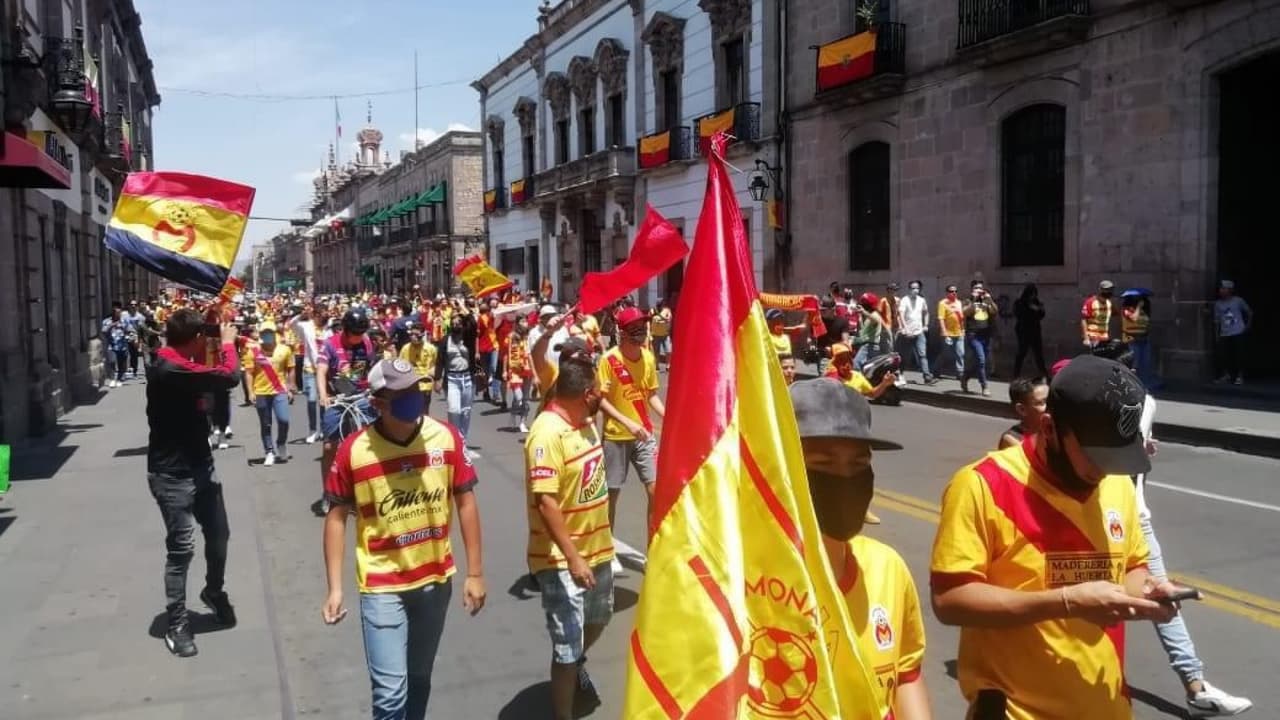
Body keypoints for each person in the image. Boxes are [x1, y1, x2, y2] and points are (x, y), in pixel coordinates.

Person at [930, 355, 1185, 719]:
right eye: (1096, 456)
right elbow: (950, 599)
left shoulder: (1117, 484)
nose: (1104, 470)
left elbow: (1132, 567)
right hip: (1017, 710)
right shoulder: (982, 484)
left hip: (1105, 703)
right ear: (1049, 428)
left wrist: (1148, 591)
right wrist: (1065, 602)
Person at [321, 359, 486, 720]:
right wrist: (335, 588)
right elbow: (336, 518)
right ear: (378, 403)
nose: (415, 398)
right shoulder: (354, 451)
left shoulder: (446, 437)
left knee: (419, 678)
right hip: (382, 586)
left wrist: (475, 573)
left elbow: (466, 502)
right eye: (403, 394)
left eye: (416, 389)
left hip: (435, 582)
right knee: (390, 695)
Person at [790, 379, 932, 720]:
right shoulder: (743, 581)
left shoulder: (887, 567)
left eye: (858, 465)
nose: (844, 480)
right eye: (823, 465)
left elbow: (905, 674)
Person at [524, 344, 614, 720]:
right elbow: (546, 502)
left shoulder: (586, 421)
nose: (603, 397)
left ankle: (577, 663)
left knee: (600, 617)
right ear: (587, 395)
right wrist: (574, 558)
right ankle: (563, 711)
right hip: (561, 559)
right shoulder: (546, 434)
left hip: (599, 548)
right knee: (566, 646)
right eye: (599, 392)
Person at [146, 310, 242, 657]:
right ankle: (177, 623)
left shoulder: (185, 362)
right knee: (182, 548)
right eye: (205, 336)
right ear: (196, 338)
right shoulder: (169, 367)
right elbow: (230, 377)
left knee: (219, 535)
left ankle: (213, 591)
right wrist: (228, 345)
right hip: (172, 475)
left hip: (202, 466)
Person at [596, 306, 665, 578]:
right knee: (611, 495)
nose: (641, 333)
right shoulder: (608, 360)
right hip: (616, 436)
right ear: (623, 333)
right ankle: (606, 550)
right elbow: (601, 401)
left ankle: (654, 551)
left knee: (655, 490)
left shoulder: (647, 357)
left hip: (644, 436)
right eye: (635, 329)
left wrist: (668, 416)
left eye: (643, 327)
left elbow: (651, 395)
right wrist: (628, 423)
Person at [313, 308, 377, 517]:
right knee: (330, 447)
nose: (359, 338)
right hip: (337, 398)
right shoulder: (330, 344)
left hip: (360, 396)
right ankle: (328, 492)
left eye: (361, 333)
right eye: (355, 334)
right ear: (346, 330)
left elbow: (371, 369)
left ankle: (364, 491)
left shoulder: (366, 343)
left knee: (371, 442)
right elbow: (321, 371)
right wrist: (323, 394)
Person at [243, 322, 296, 466]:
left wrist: (291, 387)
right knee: (266, 424)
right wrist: (250, 392)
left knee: (284, 420)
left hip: (279, 390)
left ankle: (281, 444)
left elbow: (291, 368)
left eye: (269, 332)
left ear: (274, 333)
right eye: (264, 333)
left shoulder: (285, 349)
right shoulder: (252, 351)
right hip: (261, 392)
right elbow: (249, 373)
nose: (267, 335)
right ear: (260, 334)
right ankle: (269, 452)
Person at [435, 308, 479, 459]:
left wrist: (464, 310)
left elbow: (473, 324)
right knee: (454, 410)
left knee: (466, 412)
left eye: (459, 322)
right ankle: (455, 440)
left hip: (467, 378)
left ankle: (462, 443)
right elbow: (440, 361)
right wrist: (437, 379)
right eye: (453, 322)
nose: (456, 324)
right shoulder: (445, 340)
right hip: (452, 379)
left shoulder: (468, 338)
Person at [289, 304, 324, 444]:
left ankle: (324, 429)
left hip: (324, 370)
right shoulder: (306, 326)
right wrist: (302, 315)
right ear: (314, 315)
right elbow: (292, 324)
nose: (323, 318)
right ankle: (312, 430)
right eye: (320, 315)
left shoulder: (328, 328)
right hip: (310, 369)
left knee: (324, 401)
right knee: (311, 400)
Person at [825, 343, 896, 401]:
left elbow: (872, 394)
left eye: (848, 359)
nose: (846, 365)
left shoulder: (857, 376)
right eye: (841, 361)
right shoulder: (830, 378)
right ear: (834, 363)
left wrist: (884, 383)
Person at [962, 282, 998, 396]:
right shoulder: (967, 300)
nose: (979, 290)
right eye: (976, 288)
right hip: (973, 335)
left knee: (981, 362)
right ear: (972, 290)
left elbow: (994, 311)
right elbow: (965, 312)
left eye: (980, 288)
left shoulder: (986, 301)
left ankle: (965, 376)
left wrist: (990, 300)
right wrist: (973, 300)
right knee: (981, 360)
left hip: (986, 335)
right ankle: (984, 386)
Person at [1213, 280, 1252, 385]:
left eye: (1223, 288)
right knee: (1223, 355)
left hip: (1238, 331)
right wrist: (1216, 335)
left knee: (1239, 354)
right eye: (1220, 289)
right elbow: (1216, 321)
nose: (1221, 291)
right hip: (1224, 333)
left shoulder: (1238, 301)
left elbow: (1249, 312)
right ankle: (1226, 375)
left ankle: (1240, 376)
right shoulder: (1218, 304)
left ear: (1230, 290)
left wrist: (1247, 326)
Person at [896, 280, 934, 385]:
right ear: (909, 289)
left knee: (922, 354)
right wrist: (905, 328)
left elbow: (926, 312)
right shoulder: (905, 300)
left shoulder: (922, 300)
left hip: (919, 332)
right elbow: (901, 315)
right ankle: (900, 374)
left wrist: (926, 325)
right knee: (904, 356)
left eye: (917, 288)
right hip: (907, 333)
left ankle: (927, 376)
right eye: (913, 288)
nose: (915, 290)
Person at [398, 322, 437, 418]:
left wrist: (435, 379)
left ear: (422, 335)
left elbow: (434, 365)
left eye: (416, 335)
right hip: (410, 385)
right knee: (411, 411)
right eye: (411, 334)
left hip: (425, 384)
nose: (413, 337)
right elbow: (400, 366)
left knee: (424, 412)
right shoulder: (405, 348)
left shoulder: (431, 348)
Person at [998, 376, 1048, 449]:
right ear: (1022, 409)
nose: (1050, 406)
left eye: (1051, 400)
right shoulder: (1013, 439)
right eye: (1041, 403)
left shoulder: (1052, 430)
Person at [1121, 290, 1156, 387]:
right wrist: (1139, 307)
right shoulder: (1126, 309)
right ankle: (1131, 385)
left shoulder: (1143, 312)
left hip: (1143, 340)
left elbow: (1146, 324)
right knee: (1134, 365)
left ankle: (1144, 383)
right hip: (1132, 340)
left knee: (1145, 363)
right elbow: (1134, 318)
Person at [1013, 283, 1048, 378]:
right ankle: (1016, 374)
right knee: (1022, 352)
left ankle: (1044, 374)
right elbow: (1018, 314)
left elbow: (1042, 314)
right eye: (1031, 294)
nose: (1033, 296)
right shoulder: (1020, 302)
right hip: (1023, 330)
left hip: (1035, 330)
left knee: (1038, 353)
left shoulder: (1036, 302)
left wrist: (1037, 309)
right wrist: (1029, 308)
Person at [506, 317, 533, 433]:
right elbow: (507, 355)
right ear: (517, 324)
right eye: (522, 321)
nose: (525, 323)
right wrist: (505, 370)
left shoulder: (528, 336)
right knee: (518, 397)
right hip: (515, 369)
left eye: (526, 321)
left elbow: (530, 354)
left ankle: (522, 422)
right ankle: (513, 416)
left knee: (525, 398)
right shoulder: (511, 337)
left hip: (527, 369)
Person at [853, 292, 890, 370]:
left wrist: (863, 312)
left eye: (864, 303)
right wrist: (860, 316)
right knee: (866, 368)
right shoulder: (866, 317)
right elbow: (863, 332)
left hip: (869, 346)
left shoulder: (874, 314)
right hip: (866, 345)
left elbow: (875, 320)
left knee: (856, 365)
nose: (862, 305)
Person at [936, 285, 965, 382]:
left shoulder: (959, 303)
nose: (954, 293)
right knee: (945, 354)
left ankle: (960, 373)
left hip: (959, 332)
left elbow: (961, 317)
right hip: (948, 333)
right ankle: (936, 370)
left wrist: (963, 329)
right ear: (947, 292)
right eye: (951, 291)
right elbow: (941, 318)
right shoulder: (943, 303)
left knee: (960, 353)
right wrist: (945, 333)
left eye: (955, 291)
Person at [102, 303, 131, 388]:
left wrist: (124, 329)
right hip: (112, 345)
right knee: (112, 362)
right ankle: (112, 379)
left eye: (119, 312)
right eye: (116, 313)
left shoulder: (124, 321)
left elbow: (130, 330)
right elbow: (103, 331)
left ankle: (119, 379)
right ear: (113, 313)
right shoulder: (107, 321)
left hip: (122, 346)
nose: (118, 314)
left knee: (122, 364)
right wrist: (111, 326)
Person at [1081, 279, 1116, 348]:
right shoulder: (1091, 302)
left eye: (1111, 289)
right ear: (1100, 290)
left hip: (1104, 337)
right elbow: (1083, 319)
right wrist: (1086, 338)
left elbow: (1114, 313)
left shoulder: (1109, 303)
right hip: (1093, 337)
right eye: (1106, 289)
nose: (1109, 291)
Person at [649, 300, 672, 370]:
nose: (659, 307)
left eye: (660, 305)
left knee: (668, 350)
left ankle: (668, 365)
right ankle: (657, 365)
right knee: (656, 351)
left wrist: (661, 319)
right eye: (658, 305)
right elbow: (649, 319)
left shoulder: (667, 311)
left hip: (665, 335)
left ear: (662, 305)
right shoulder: (652, 310)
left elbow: (669, 319)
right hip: (655, 335)